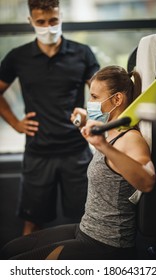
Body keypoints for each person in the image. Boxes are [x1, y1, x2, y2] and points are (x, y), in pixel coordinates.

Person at [0, 65, 156, 260]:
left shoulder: (130, 138)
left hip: (107, 243)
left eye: (95, 97)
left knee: (14, 267)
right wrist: (83, 124)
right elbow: (103, 152)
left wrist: (104, 147)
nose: (89, 102)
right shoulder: (110, 132)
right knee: (9, 250)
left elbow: (147, 181)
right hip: (86, 229)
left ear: (117, 99)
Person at [0, 0, 100, 235]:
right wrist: (15, 123)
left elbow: (102, 96)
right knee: (32, 223)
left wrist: (89, 114)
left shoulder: (82, 53)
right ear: (31, 21)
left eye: (53, 20)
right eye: (41, 22)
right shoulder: (18, 56)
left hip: (77, 153)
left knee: (88, 221)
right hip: (38, 154)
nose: (48, 26)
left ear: (61, 16)